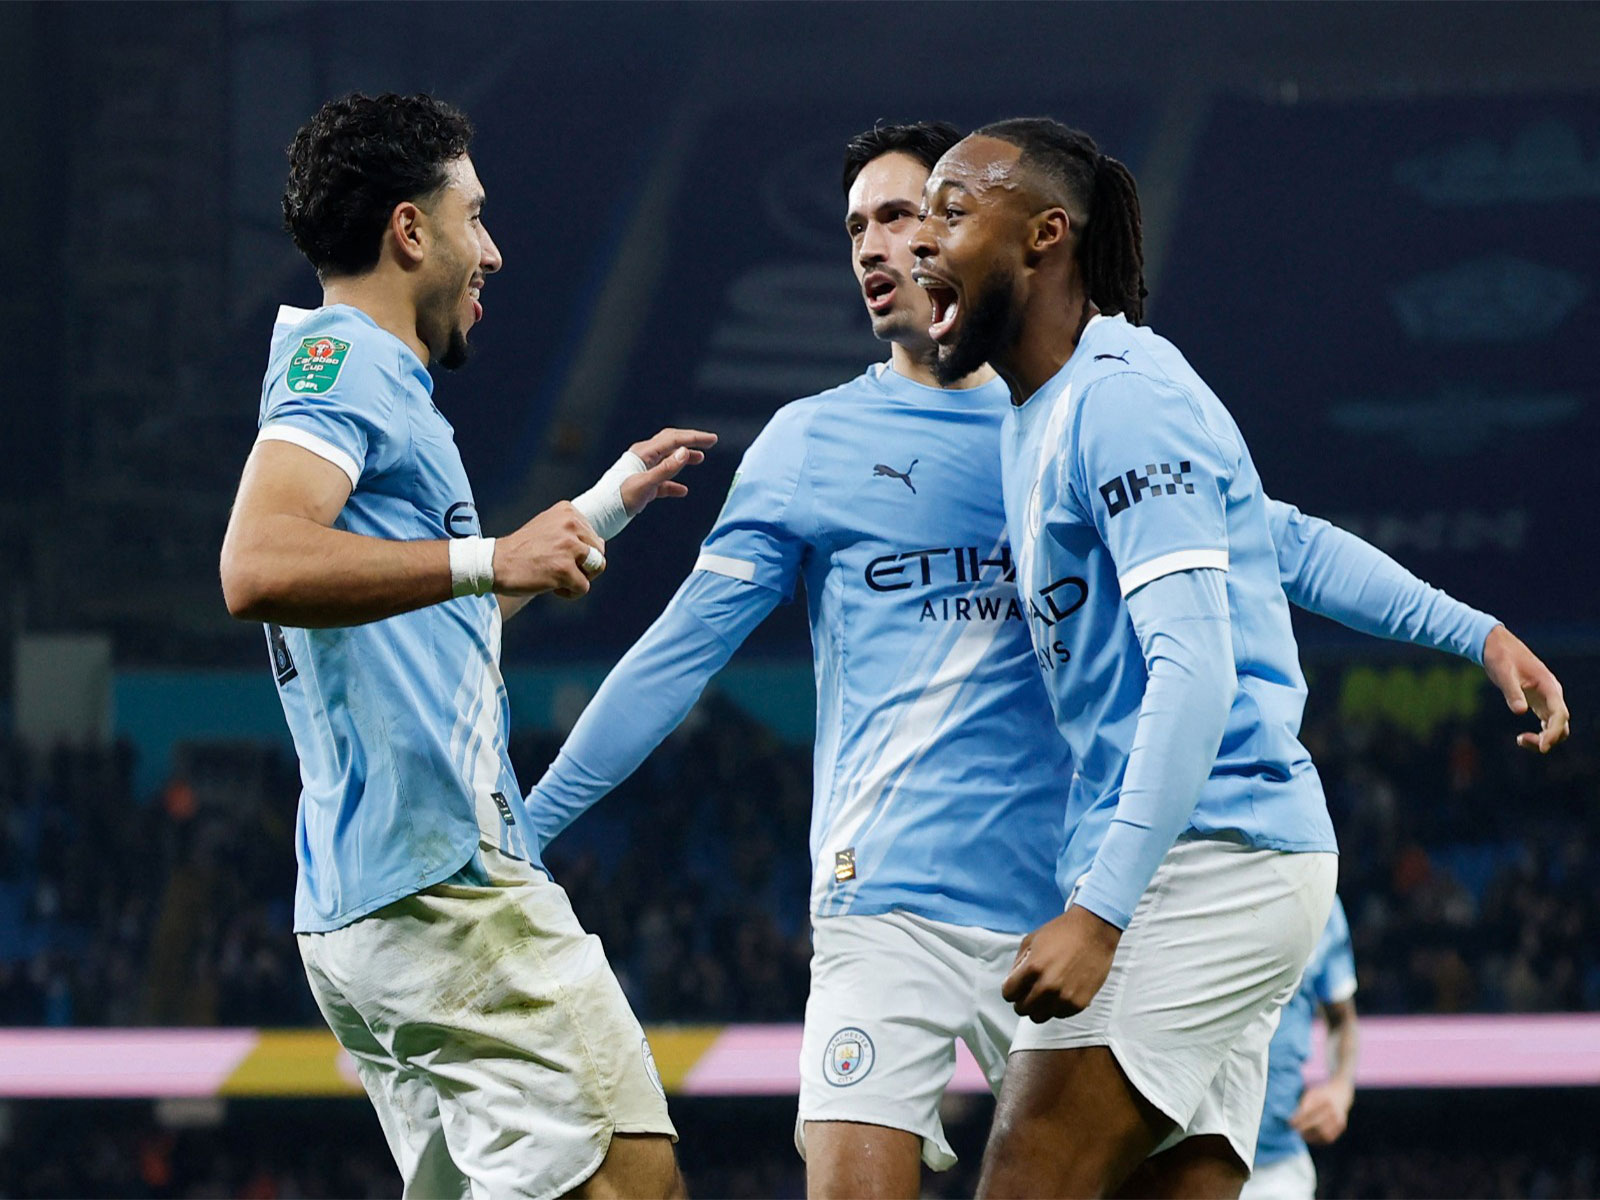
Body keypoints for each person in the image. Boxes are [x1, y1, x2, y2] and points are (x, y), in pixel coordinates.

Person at [525, 121, 1564, 1199]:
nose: (893, 246)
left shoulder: (1086, 399)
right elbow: (675, 657)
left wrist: (1467, 629)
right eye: (864, 227)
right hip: (901, 904)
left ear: (1022, 236)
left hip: (1094, 899)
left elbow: (1266, 551)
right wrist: (528, 826)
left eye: (919, 214)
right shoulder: (840, 441)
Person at [909, 117, 1568, 1198]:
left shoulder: (1121, 396)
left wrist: (1101, 912)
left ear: (1043, 235)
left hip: (1205, 859)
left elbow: (1197, 669)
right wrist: (1474, 631)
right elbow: (1285, 539)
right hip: (1224, 860)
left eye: (949, 209)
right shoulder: (1048, 410)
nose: (919, 239)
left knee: (1024, 1181)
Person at [219, 92, 714, 1200]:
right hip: (443, 891)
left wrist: (599, 508)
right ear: (411, 231)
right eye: (473, 216)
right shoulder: (343, 364)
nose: (489, 250)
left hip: (370, 906)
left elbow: (427, 636)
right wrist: (493, 554)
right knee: (632, 1177)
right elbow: (254, 564)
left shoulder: (371, 381)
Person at [1241, 897, 1359, 1200]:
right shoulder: (1172, 871)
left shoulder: (1319, 896)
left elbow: (1342, 1019)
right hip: (1168, 1161)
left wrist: (1340, 1088)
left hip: (1276, 1167)